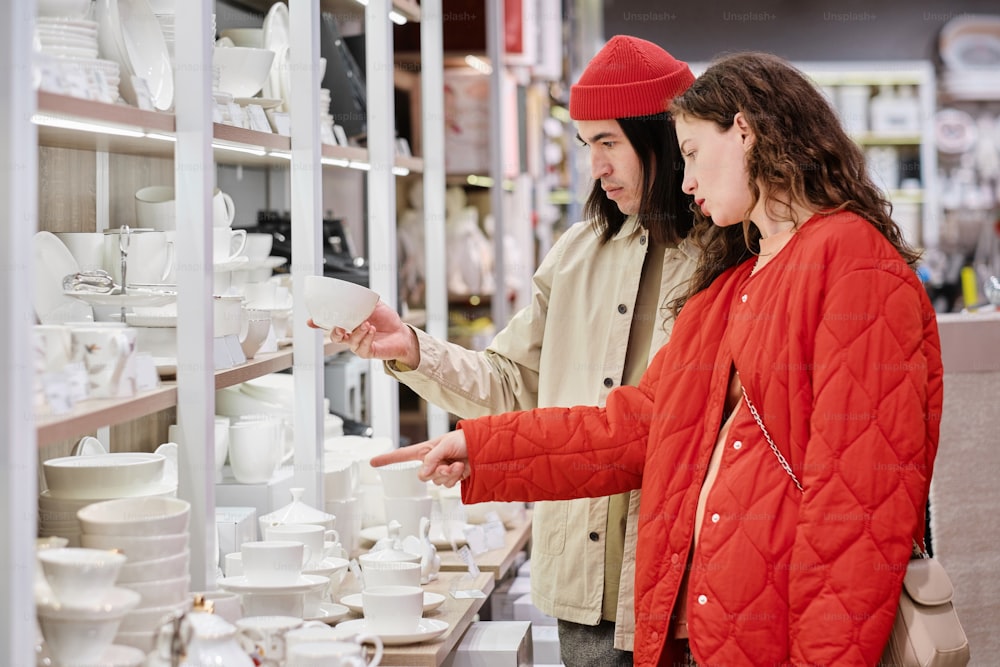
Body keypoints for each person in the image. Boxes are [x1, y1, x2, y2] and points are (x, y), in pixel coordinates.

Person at [370, 51, 943, 667]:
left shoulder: (851, 263)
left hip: (766, 630)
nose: (687, 179)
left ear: (745, 132)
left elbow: (856, 513)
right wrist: (482, 449)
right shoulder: (732, 284)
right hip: (705, 621)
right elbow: (634, 427)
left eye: (692, 153)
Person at [325, 36, 699, 666]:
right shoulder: (575, 255)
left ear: (661, 135)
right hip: (583, 590)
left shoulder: (722, 260)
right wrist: (412, 349)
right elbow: (510, 380)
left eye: (609, 142)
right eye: (585, 146)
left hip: (681, 589)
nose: (596, 167)